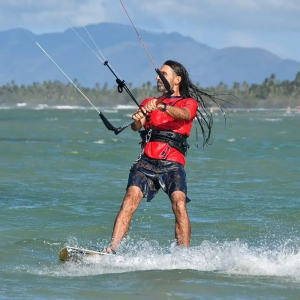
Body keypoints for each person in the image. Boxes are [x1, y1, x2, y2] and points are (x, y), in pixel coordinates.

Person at [102, 60, 222, 254]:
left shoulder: (188, 102)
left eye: (163, 74)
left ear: (177, 80)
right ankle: (112, 249)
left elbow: (185, 114)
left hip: (172, 164)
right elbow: (137, 126)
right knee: (129, 199)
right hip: (146, 161)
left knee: (179, 202)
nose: (158, 77)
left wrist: (162, 107)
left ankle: (183, 255)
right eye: (158, 74)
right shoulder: (149, 102)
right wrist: (138, 117)